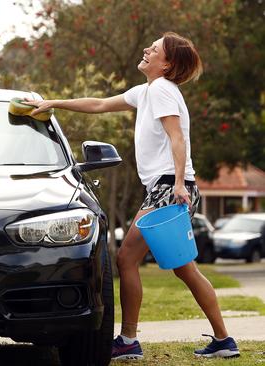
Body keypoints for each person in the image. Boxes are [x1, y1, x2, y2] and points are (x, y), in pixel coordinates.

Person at [24, 32, 240, 360]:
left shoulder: (163, 90)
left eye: (153, 50)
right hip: (168, 188)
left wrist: (179, 184)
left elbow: (177, 138)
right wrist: (52, 104)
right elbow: (98, 105)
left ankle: (128, 340)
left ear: (166, 64)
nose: (146, 50)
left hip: (171, 188)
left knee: (126, 259)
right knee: (185, 269)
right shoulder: (147, 91)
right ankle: (223, 340)